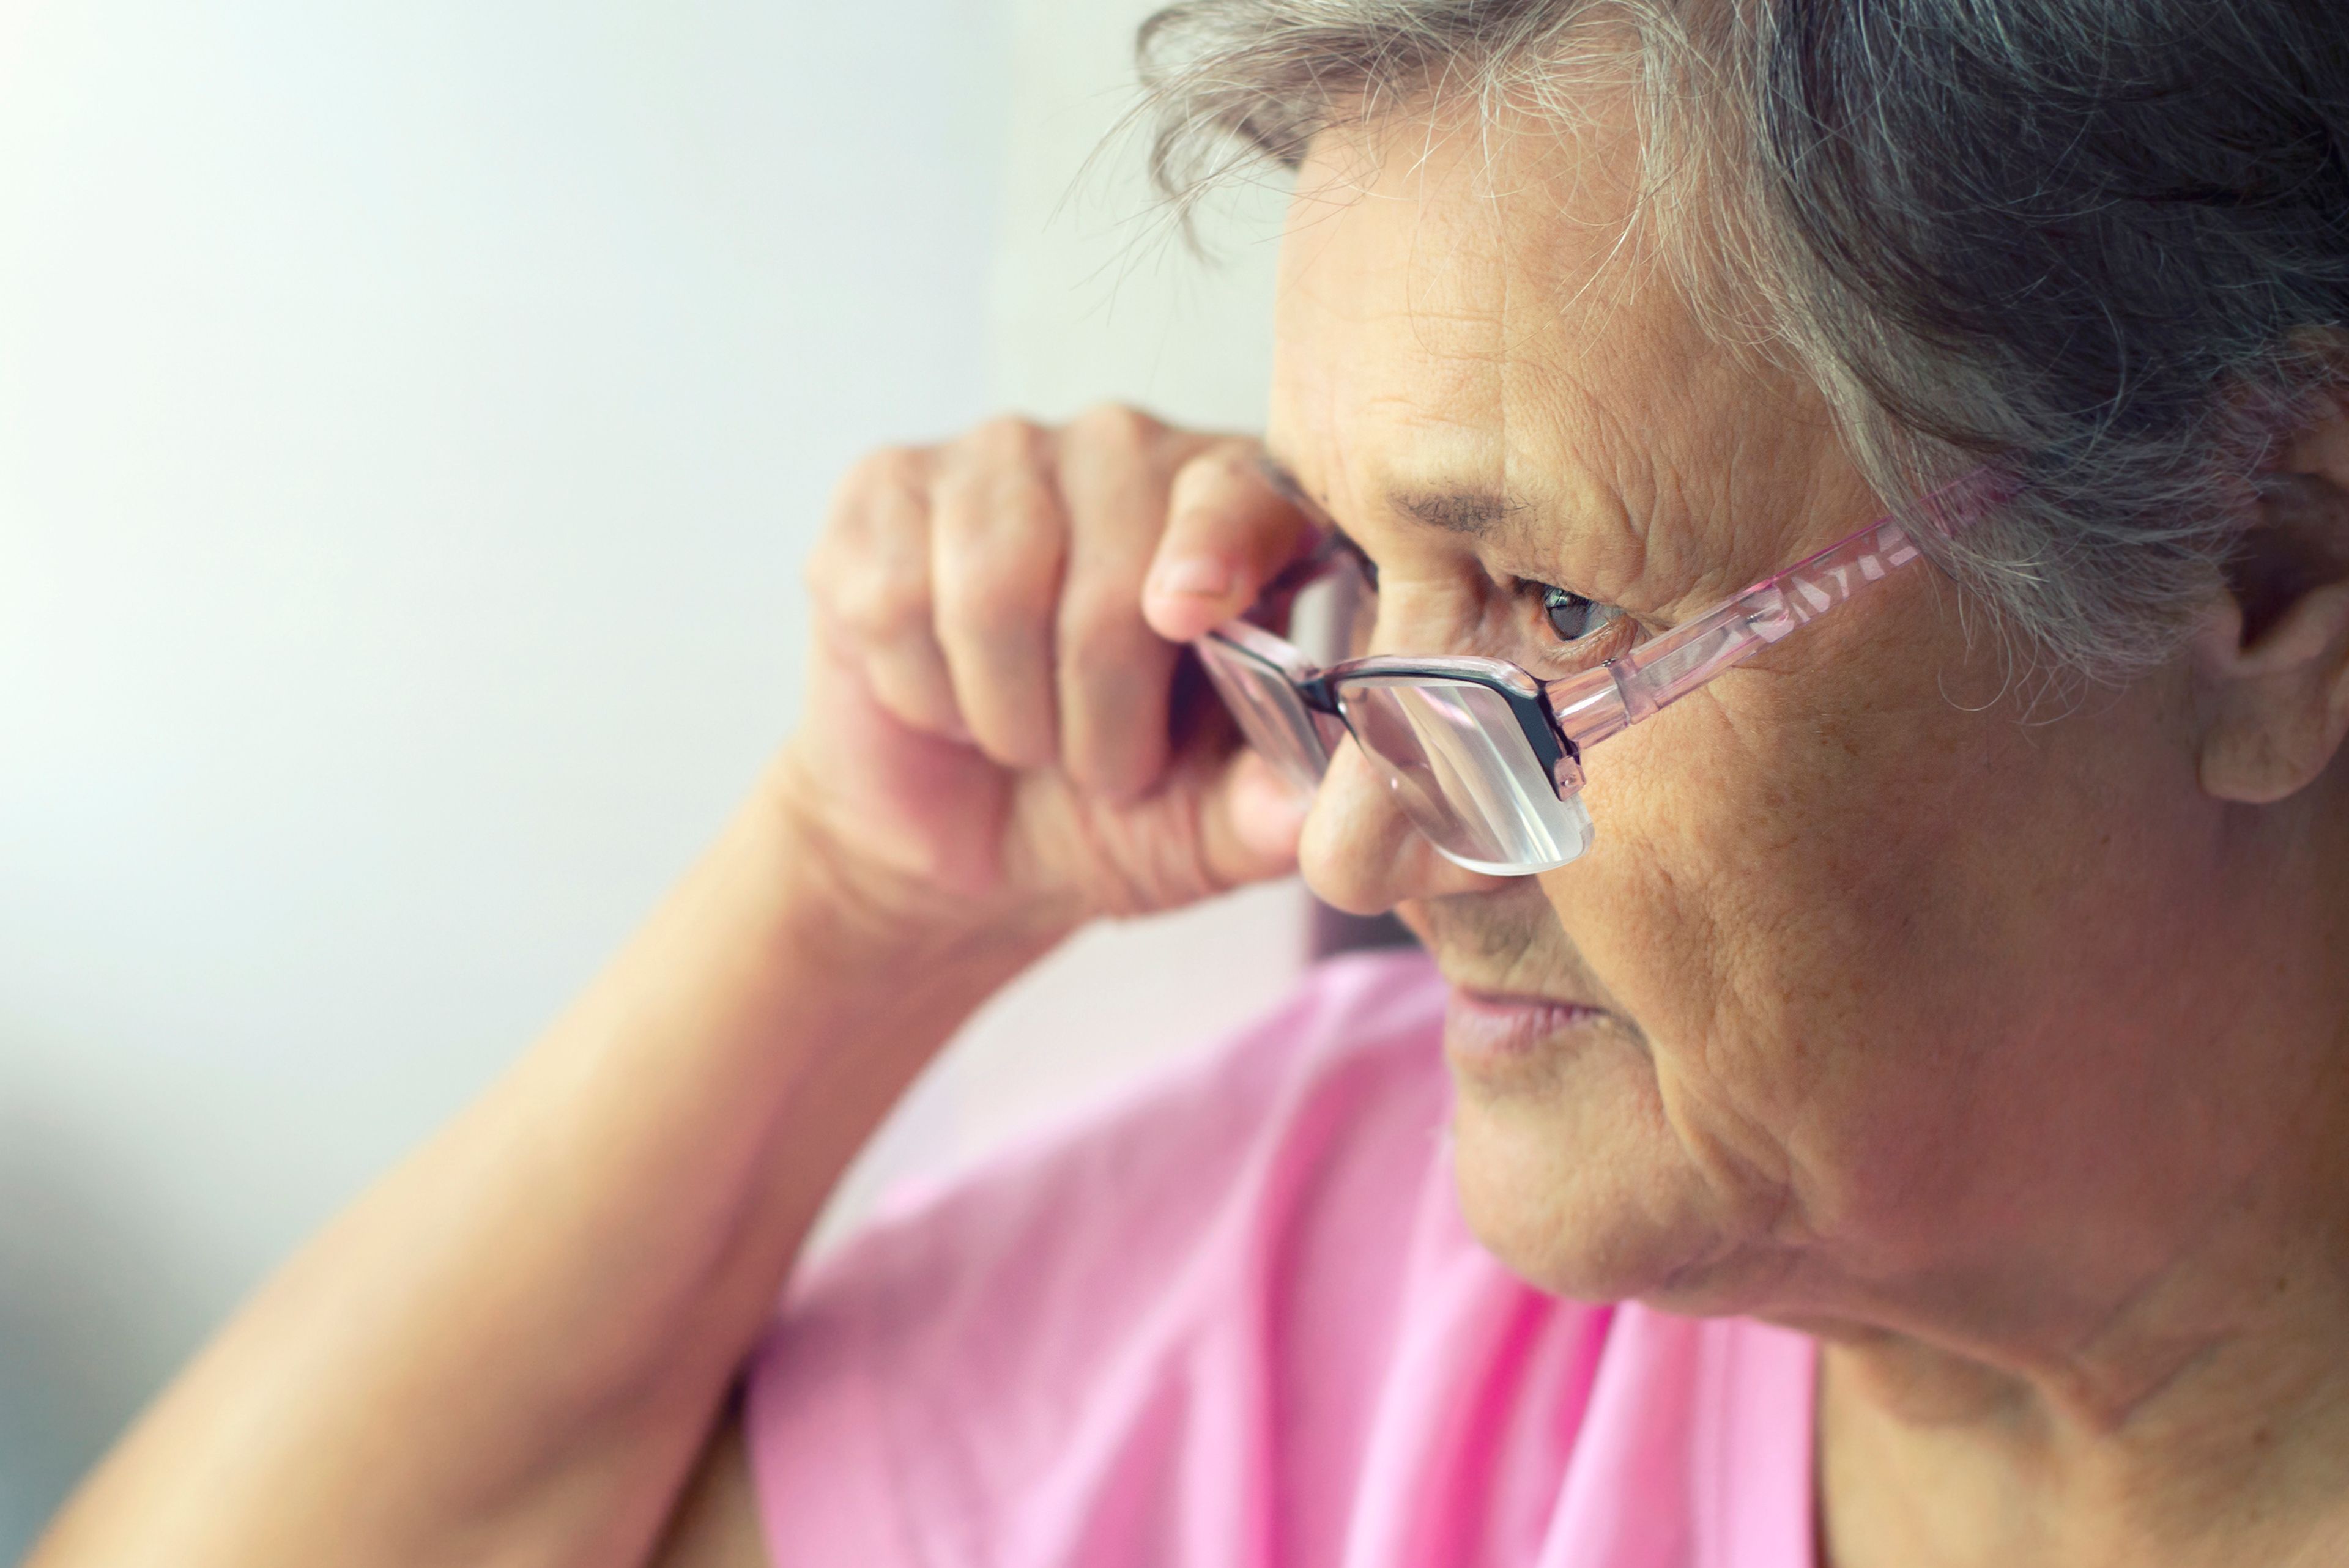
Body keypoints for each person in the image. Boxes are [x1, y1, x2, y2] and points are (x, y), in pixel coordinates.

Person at [25, 0, 2349, 1564]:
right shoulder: (1349, 1236)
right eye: (1360, 579)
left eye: (1552, 614)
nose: (1355, 842)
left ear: (2265, 574)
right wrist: (848, 900)